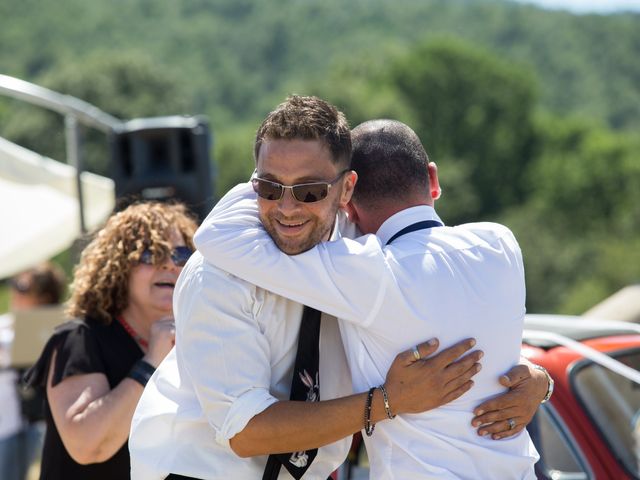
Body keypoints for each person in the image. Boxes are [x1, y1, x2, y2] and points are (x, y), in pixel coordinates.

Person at [129, 96, 545, 480]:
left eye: (309, 190)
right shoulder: (218, 272)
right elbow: (246, 432)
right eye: (270, 188)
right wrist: (386, 402)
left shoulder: (362, 252)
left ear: (347, 191)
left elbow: (443, 295)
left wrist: (536, 379)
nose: (288, 208)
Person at [24, 201, 198, 480]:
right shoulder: (80, 338)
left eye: (180, 254)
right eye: (151, 253)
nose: (169, 264)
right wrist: (151, 363)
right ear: (119, 266)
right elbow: (87, 446)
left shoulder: (193, 342)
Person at [0, 262, 66, 480]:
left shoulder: (60, 331)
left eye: (23, 287)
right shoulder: (5, 325)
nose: (15, 291)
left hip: (26, 424)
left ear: (44, 297)